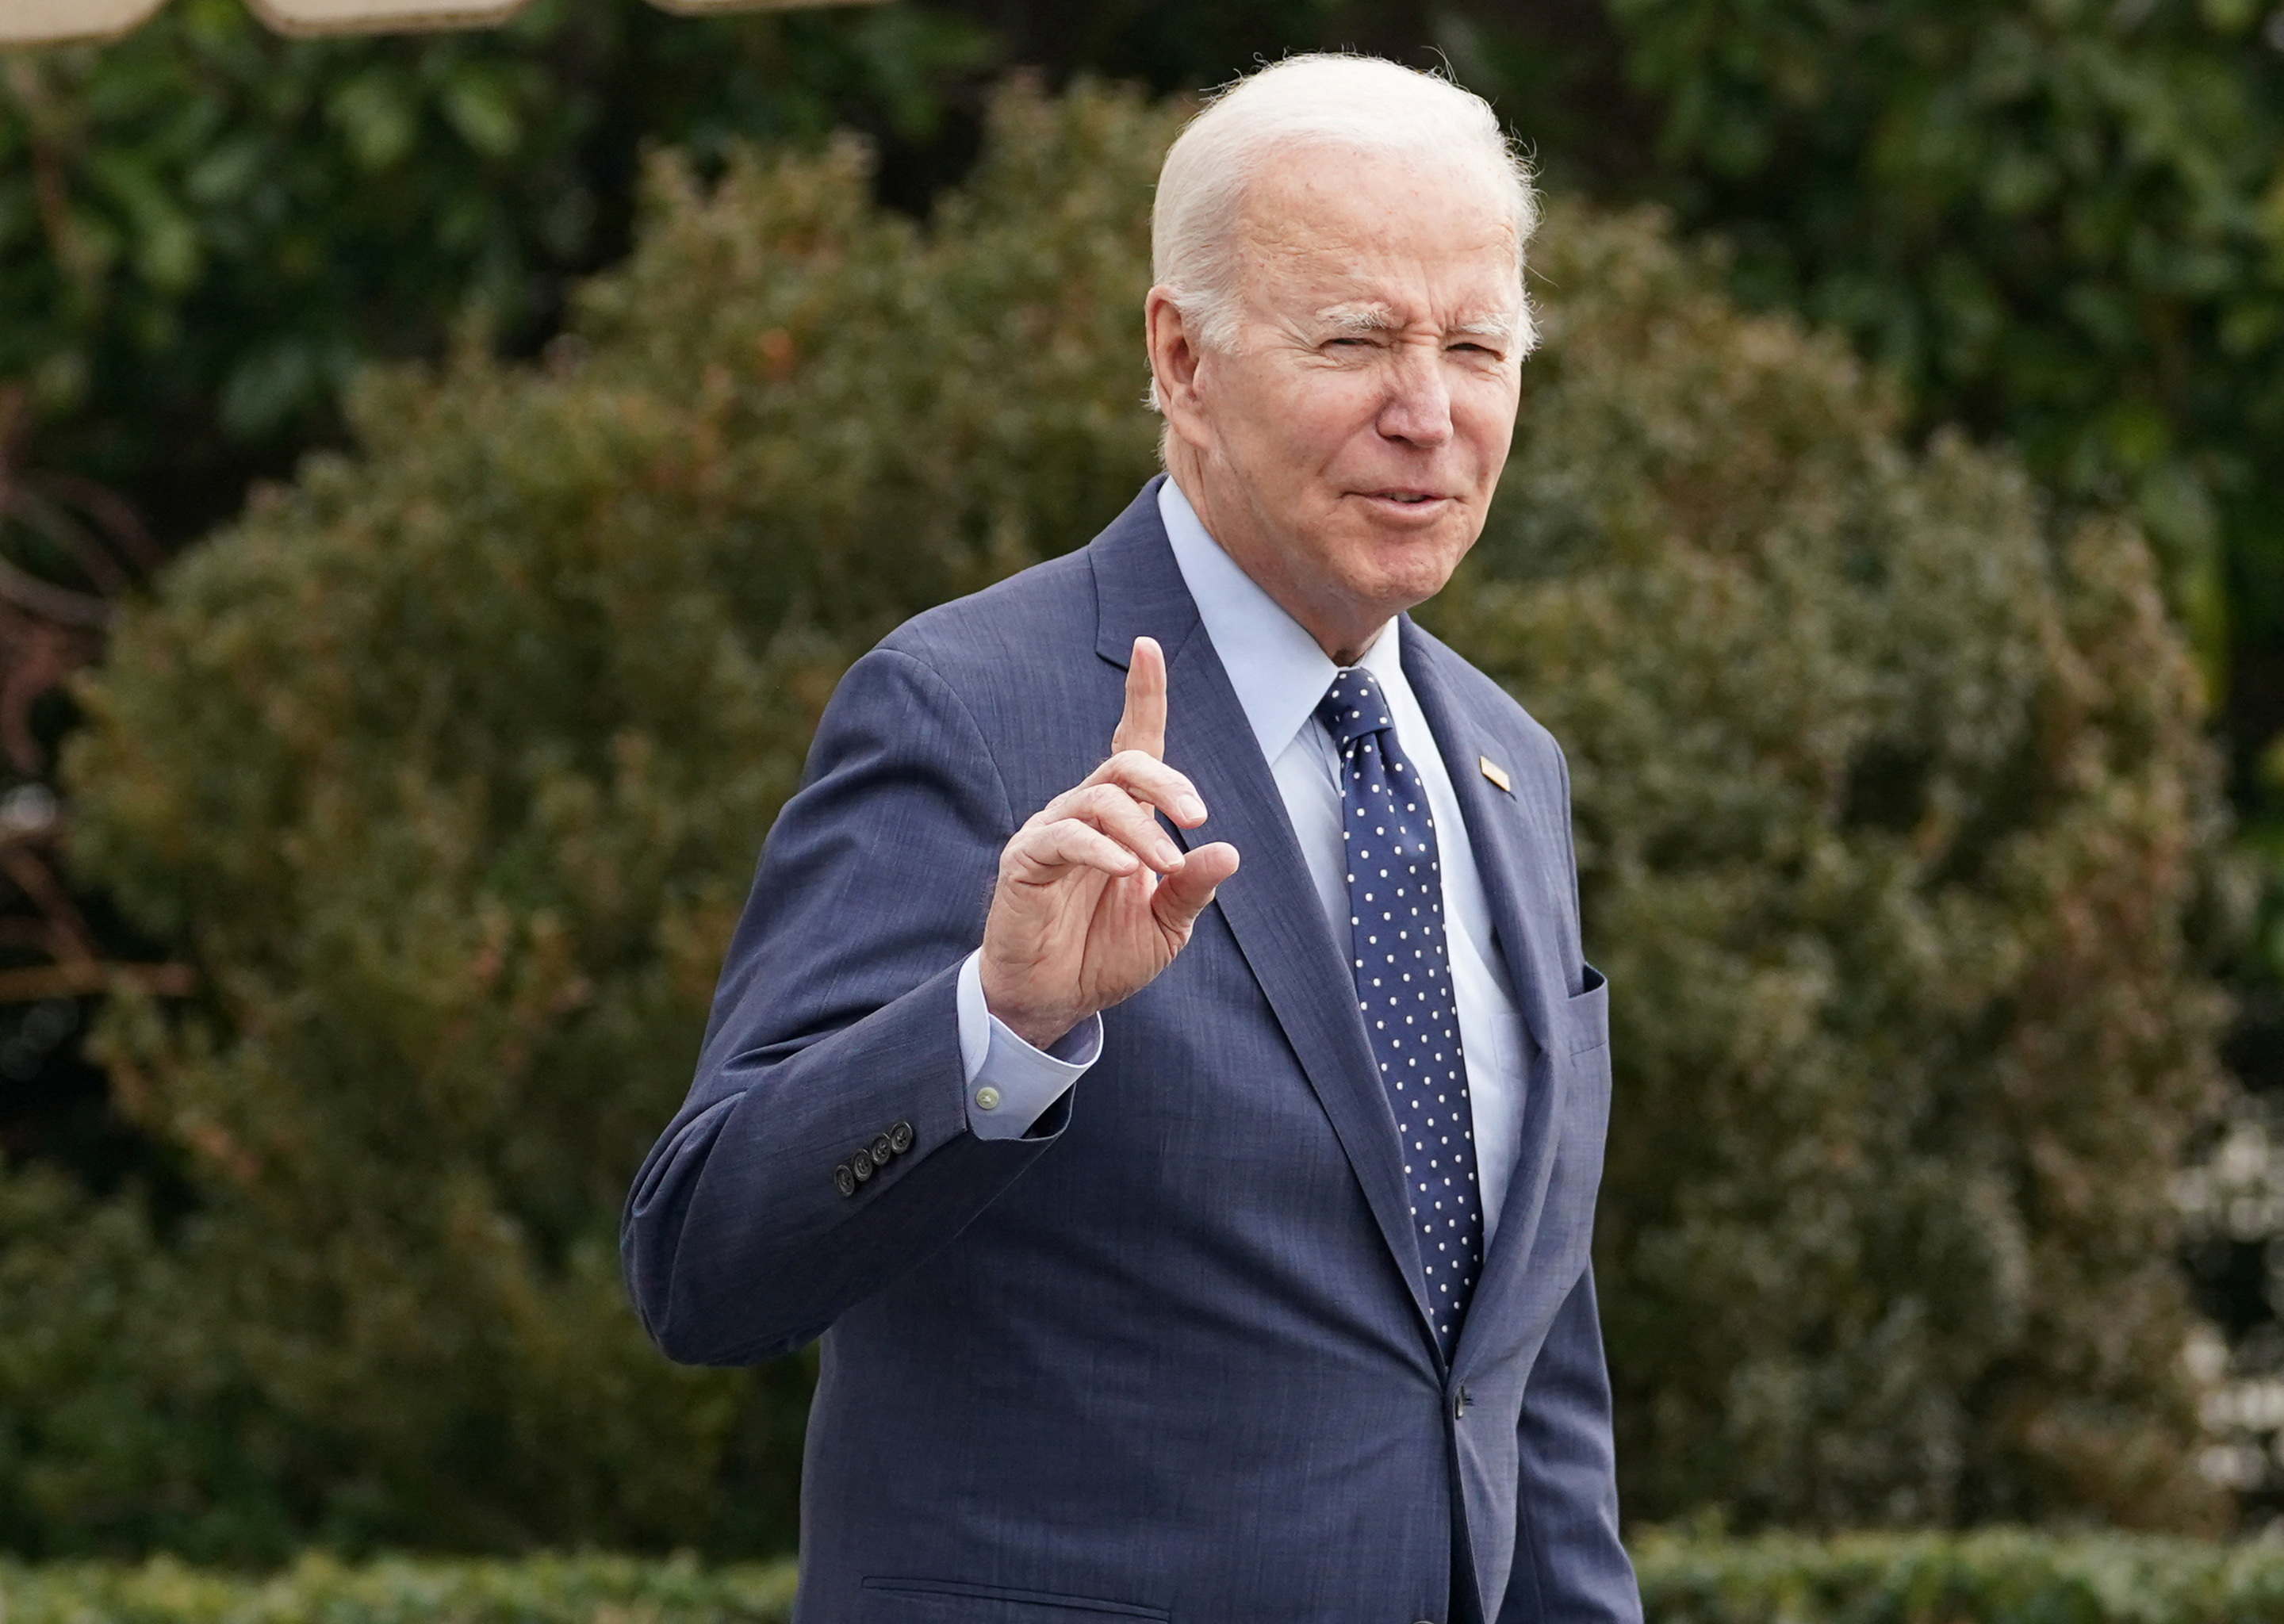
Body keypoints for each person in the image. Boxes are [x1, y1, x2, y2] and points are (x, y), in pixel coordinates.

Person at [622, 53, 1638, 1624]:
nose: (1427, 414)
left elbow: (1520, 1371)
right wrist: (1002, 1023)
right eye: (1355, 338)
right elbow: (701, 1258)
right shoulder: (970, 712)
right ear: (1182, 357)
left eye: (1477, 344)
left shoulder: (1511, 764)